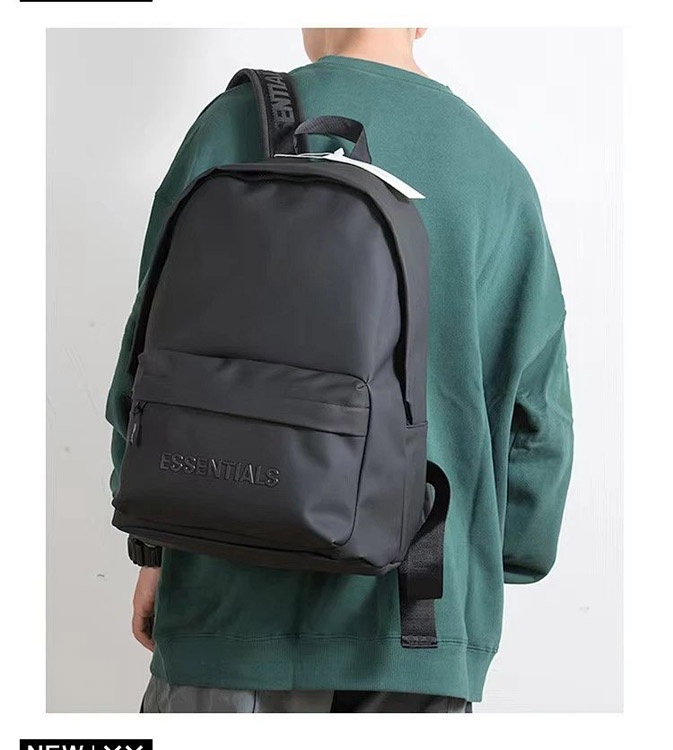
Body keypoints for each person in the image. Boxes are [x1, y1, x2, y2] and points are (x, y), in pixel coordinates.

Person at [106, 27, 573, 713]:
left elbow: (146, 353)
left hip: (225, 600)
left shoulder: (233, 123)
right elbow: (538, 415)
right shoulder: (494, 169)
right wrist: (493, 562)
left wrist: (152, 548)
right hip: (417, 616)